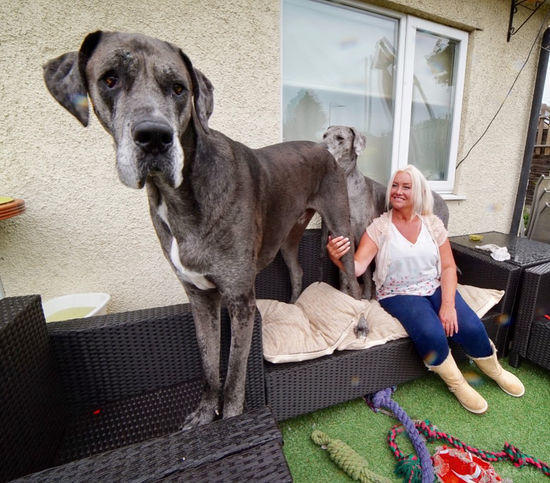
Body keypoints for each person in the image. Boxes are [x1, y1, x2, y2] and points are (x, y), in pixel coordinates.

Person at [327, 165, 524, 414]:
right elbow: (356, 267)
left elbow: (449, 268)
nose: (397, 191)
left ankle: (495, 370)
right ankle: (458, 384)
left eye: (405, 187)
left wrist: (448, 305)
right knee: (432, 334)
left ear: (418, 192)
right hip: (399, 294)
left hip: (434, 285)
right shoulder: (379, 227)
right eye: (395, 186)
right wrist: (337, 257)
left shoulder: (432, 224)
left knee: (472, 326)